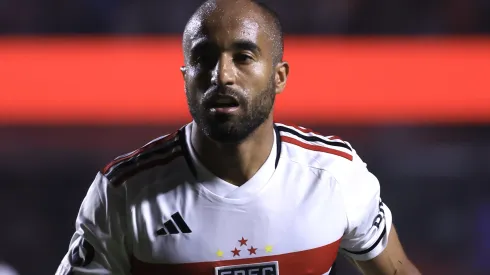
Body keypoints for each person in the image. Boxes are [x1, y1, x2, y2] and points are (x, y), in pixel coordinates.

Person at [56, 0, 421, 274]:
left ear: (279, 76)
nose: (222, 76)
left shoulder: (336, 176)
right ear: (185, 76)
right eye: (204, 57)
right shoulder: (121, 192)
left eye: (243, 57)